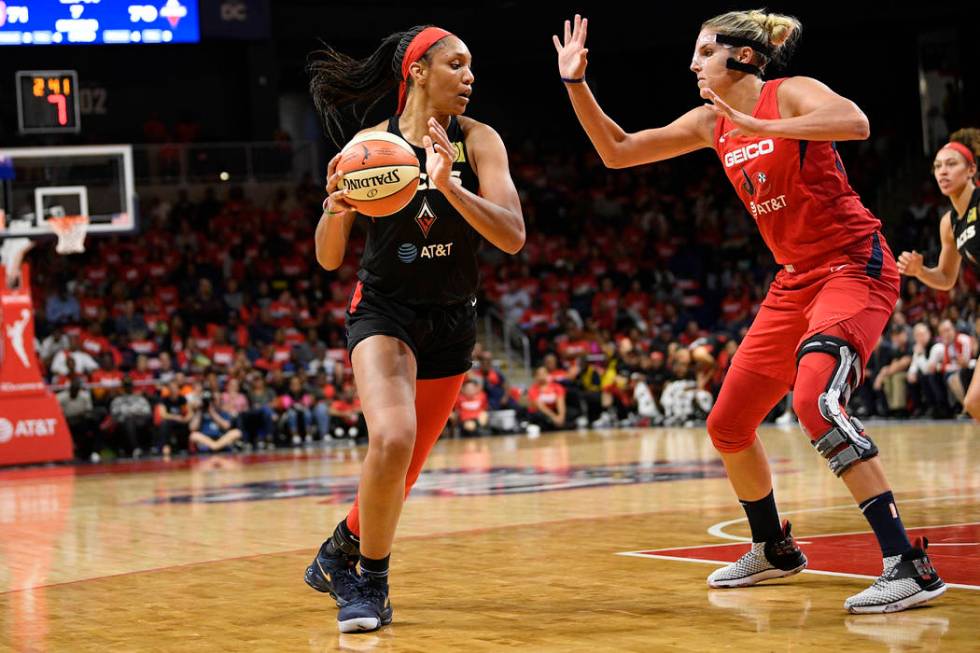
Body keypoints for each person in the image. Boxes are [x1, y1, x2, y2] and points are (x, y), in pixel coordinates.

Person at [554, 9, 944, 613]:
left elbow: (856, 122)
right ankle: (772, 548)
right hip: (794, 281)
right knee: (727, 423)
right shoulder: (712, 122)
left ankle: (907, 565)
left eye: (704, 51)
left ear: (742, 57)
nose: (692, 63)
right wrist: (576, 84)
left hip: (852, 264)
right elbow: (618, 150)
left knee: (814, 400)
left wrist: (760, 122)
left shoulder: (789, 94)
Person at [304, 25, 524, 633]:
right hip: (384, 311)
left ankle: (336, 553)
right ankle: (369, 584)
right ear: (418, 71)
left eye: (472, 65)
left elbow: (511, 235)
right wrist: (332, 207)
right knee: (393, 439)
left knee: (407, 467)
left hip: (453, 318)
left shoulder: (479, 142)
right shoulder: (369, 147)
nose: (470, 76)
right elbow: (328, 258)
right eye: (457, 64)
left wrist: (450, 185)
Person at [897, 128, 980, 419]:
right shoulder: (949, 223)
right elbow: (946, 279)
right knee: (975, 402)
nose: (943, 172)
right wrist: (920, 272)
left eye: (951, 164)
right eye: (937, 166)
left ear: (971, 170)